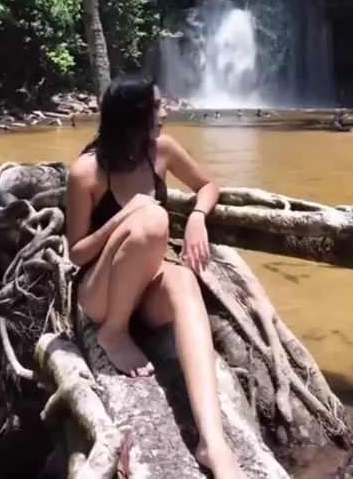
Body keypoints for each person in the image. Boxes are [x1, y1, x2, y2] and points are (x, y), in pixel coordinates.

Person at [66, 72, 247, 479]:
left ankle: (213, 444)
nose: (166, 111)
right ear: (136, 116)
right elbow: (76, 254)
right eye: (159, 105)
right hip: (100, 291)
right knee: (151, 218)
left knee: (183, 281)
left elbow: (207, 184)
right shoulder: (87, 171)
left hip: (147, 284)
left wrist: (198, 216)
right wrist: (128, 215)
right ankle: (114, 332)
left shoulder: (161, 150)